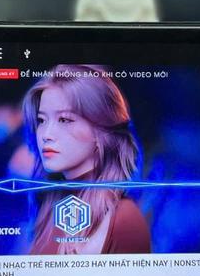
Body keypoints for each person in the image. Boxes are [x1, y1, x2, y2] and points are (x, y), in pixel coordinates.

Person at [22, 64, 151, 254]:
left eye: (65, 119)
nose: (46, 135)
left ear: (102, 131)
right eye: (41, 120)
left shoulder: (123, 218)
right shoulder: (47, 208)